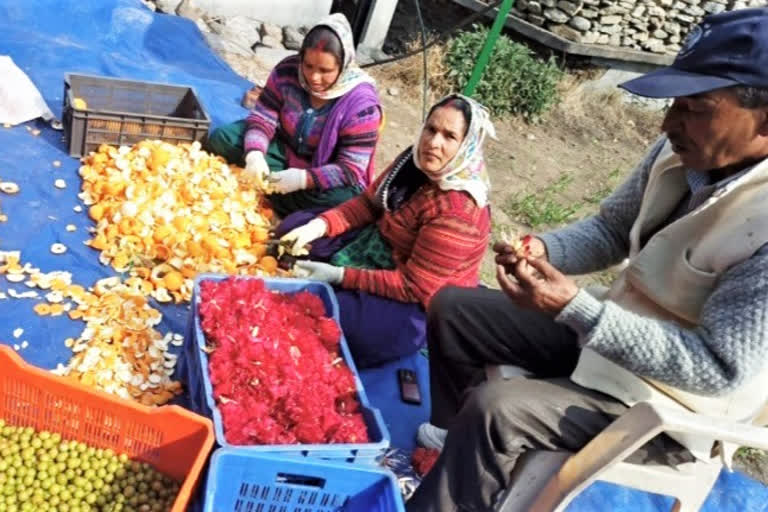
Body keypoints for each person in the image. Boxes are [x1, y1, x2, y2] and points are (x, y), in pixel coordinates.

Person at [406, 8, 768, 511]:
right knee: (453, 309)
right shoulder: (677, 151)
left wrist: (578, 310)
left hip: (665, 402)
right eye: (674, 104)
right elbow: (611, 229)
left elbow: (718, 369)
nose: (669, 123)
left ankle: (457, 495)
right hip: (609, 337)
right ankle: (453, 455)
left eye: (696, 107)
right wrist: (543, 250)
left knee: (496, 409)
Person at [279, 94, 495, 368]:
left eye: (449, 137)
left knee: (334, 318)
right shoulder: (414, 161)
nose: (433, 143)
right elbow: (369, 204)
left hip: (417, 298)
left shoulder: (458, 213)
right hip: (381, 245)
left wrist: (340, 275)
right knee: (294, 230)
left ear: (467, 146)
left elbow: (413, 287)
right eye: (431, 129)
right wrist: (318, 226)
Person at [206, 14, 382, 217]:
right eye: (308, 66)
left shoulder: (361, 105)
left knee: (342, 200)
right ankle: (274, 191)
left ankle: (268, 190)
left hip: (324, 172)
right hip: (283, 152)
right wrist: (255, 154)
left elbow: (350, 169)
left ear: (343, 66)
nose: (314, 77)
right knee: (223, 138)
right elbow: (264, 117)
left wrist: (302, 179)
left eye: (325, 70)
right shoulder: (287, 71)